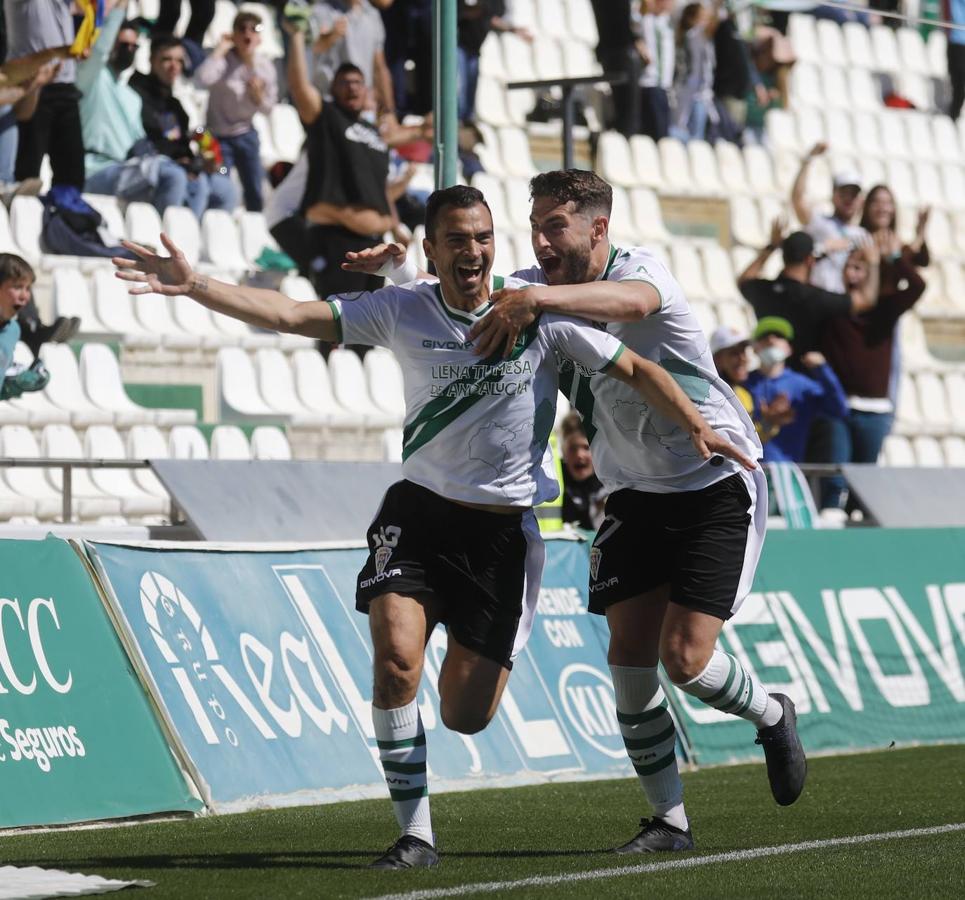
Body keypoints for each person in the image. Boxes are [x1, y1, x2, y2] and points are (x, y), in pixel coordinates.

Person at [113, 183, 755, 870]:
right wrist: (197, 285)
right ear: (432, 249)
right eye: (455, 239)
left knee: (464, 715)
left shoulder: (533, 313)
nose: (471, 251)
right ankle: (414, 836)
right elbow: (292, 314)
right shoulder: (402, 308)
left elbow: (635, 366)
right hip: (417, 515)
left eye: (481, 238)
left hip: (502, 538)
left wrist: (697, 425)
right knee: (394, 665)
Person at [348, 170, 807, 852]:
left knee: (683, 660)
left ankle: (770, 713)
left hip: (710, 478)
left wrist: (532, 296)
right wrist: (400, 268)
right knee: (628, 663)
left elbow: (624, 302)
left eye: (553, 225)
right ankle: (668, 821)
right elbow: (459, 290)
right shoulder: (535, 286)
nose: (540, 240)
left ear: (597, 227)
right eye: (534, 225)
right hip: (629, 493)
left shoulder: (639, 274)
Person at [269, 20, 396, 302]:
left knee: (368, 331)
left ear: (367, 90)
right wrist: (298, 37)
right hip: (338, 240)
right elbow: (299, 87)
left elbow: (380, 186)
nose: (352, 89)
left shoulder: (375, 134)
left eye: (357, 83)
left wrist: (393, 223)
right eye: (344, 83)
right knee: (338, 322)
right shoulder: (326, 117)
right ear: (333, 88)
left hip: (374, 243)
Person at [819, 246, 925, 508]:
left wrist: (893, 258)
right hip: (838, 407)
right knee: (833, 478)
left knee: (864, 486)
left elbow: (917, 285)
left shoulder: (886, 308)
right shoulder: (832, 307)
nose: (851, 273)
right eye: (848, 266)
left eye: (859, 267)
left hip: (874, 411)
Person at [79, 11, 191, 214]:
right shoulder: (93, 78)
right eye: (123, 45)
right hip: (95, 170)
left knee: (214, 187)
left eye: (133, 46)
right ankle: (164, 240)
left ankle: (179, 242)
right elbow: (98, 50)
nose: (128, 51)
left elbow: (140, 142)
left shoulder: (132, 97)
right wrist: (118, 7)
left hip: (128, 170)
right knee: (171, 176)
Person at [738, 220, 880, 367]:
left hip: (767, 372)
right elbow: (866, 299)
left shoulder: (764, 291)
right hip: (804, 378)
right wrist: (874, 262)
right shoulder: (815, 298)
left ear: (784, 257)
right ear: (810, 260)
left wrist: (771, 247)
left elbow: (744, 280)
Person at [129, 35, 239, 221]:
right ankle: (173, 240)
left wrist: (203, 161)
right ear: (151, 60)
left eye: (179, 61)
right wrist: (185, 163)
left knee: (226, 186)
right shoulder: (136, 94)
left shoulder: (175, 105)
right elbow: (150, 139)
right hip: (155, 165)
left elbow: (184, 140)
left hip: (186, 166)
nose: (174, 66)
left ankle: (202, 242)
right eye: (167, 60)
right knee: (195, 183)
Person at [195, 10, 278, 212]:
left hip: (246, 135)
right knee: (219, 187)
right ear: (234, 34)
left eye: (255, 29)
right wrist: (220, 49)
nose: (248, 33)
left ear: (260, 37)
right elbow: (201, 80)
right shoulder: (222, 60)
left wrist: (257, 96)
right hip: (216, 139)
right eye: (242, 29)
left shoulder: (265, 66)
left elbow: (269, 109)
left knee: (254, 190)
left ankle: (254, 231)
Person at [4, 0, 85, 189]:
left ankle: (67, 215)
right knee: (26, 176)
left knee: (72, 179)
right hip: (29, 82)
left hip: (65, 86)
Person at [744, 317, 848, 463]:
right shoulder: (742, 383)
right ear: (754, 348)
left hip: (787, 471)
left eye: (779, 336)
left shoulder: (802, 385)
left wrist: (822, 369)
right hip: (747, 469)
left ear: (789, 349)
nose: (771, 340)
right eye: (764, 337)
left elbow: (839, 409)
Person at [791, 143, 868, 293]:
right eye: (844, 193)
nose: (849, 199)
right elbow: (798, 199)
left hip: (845, 304)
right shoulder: (820, 222)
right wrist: (808, 159)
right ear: (833, 195)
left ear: (861, 200)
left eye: (854, 194)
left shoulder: (864, 236)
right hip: (817, 296)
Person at [710, 323, 792, 446]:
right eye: (734, 353)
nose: (743, 359)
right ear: (717, 359)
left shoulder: (744, 395)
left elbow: (748, 441)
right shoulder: (707, 394)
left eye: (744, 351)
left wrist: (769, 423)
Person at [0, 252, 50, 401]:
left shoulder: (13, 330)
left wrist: (15, 384)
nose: (24, 296)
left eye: (28, 288)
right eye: (17, 287)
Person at [671, 0, 721, 143]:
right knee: (689, 133)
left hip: (699, 93)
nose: (705, 21)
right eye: (702, 18)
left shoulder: (700, 37)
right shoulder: (693, 36)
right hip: (691, 93)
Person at [631, 0, 675, 141]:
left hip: (663, 85)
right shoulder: (645, 20)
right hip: (649, 84)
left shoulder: (665, 22)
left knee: (664, 136)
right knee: (655, 136)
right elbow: (639, 17)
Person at [559, 411, 607, 530]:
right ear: (564, 451)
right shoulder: (556, 481)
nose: (579, 455)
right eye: (573, 448)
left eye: (586, 447)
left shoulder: (610, 484)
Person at [949, 0, 965, 120]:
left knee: (959, 82)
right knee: (958, 82)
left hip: (957, 41)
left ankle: (954, 115)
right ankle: (954, 115)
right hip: (956, 40)